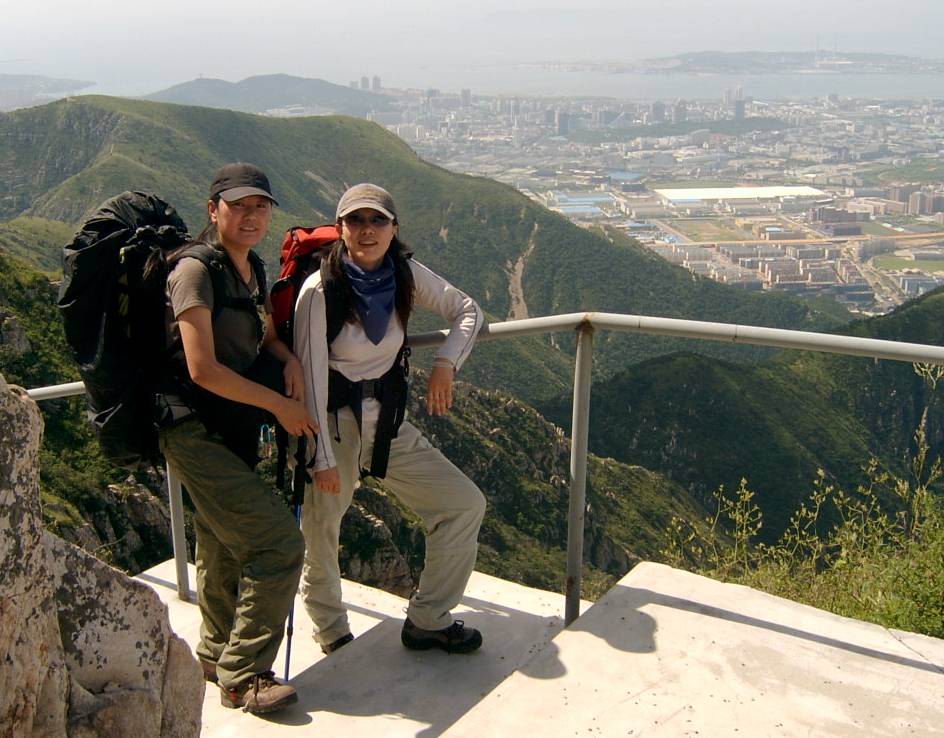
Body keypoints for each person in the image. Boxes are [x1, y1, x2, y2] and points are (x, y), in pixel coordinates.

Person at [294, 183, 487, 655]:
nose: (367, 230)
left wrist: (446, 363)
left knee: (463, 504)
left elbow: (467, 309)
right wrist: (321, 458)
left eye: (377, 220)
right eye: (356, 220)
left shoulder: (402, 272)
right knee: (322, 530)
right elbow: (311, 378)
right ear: (340, 229)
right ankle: (332, 630)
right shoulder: (320, 290)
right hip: (332, 425)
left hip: (387, 424)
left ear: (394, 228)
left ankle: (428, 619)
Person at [159, 162, 317, 714]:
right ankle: (244, 675)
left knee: (221, 540)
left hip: (229, 425)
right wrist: (280, 405)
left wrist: (287, 358)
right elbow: (202, 368)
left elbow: (265, 334)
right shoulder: (194, 272)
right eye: (239, 206)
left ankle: (214, 653)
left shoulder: (250, 268)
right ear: (213, 210)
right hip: (193, 429)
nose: (251, 216)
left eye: (260, 206)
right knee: (279, 545)